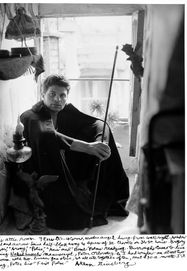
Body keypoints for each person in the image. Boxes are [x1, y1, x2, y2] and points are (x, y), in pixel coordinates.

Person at [9, 74, 129, 230]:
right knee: (69, 215)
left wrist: (100, 139)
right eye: (52, 94)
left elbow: (96, 124)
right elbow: (48, 135)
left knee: (99, 130)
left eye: (62, 96)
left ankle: (94, 188)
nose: (57, 99)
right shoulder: (31, 116)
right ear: (42, 94)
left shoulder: (64, 112)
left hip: (65, 165)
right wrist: (88, 147)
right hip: (45, 174)